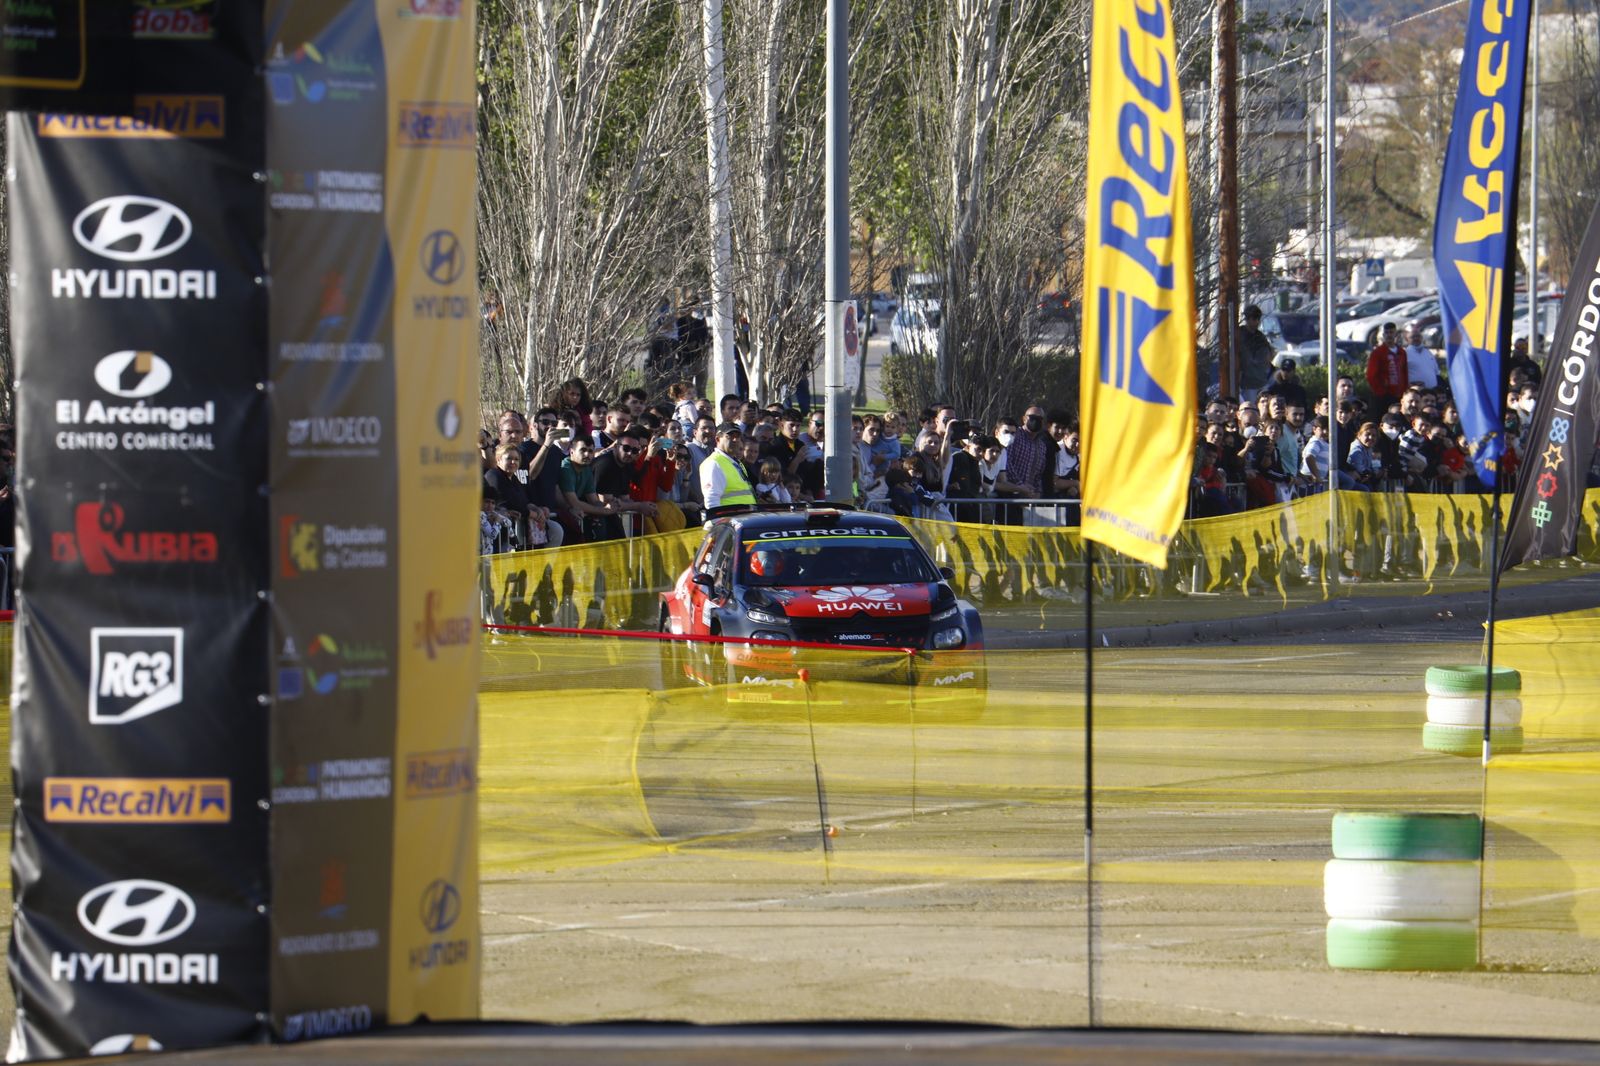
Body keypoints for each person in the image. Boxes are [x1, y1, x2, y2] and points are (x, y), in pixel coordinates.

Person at [558, 436, 616, 541]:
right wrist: (604, 510)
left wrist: (609, 505)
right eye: (583, 450)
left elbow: (593, 500)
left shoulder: (586, 469)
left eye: (590, 451)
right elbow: (574, 503)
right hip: (561, 518)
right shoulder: (565, 468)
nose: (587, 455)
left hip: (574, 517)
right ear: (571, 452)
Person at [699, 421, 757, 510]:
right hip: (731, 521)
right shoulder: (713, 463)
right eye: (729, 436)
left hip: (744, 518)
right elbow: (711, 501)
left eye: (737, 436)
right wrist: (722, 523)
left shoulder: (736, 462)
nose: (735, 440)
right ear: (718, 439)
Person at [1365, 323, 1409, 412]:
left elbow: (1405, 372)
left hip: (1399, 394)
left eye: (1391, 332)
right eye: (1387, 333)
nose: (1389, 335)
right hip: (1383, 395)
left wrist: (1405, 390)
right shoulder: (1377, 353)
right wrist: (1380, 391)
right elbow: (1371, 375)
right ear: (1383, 335)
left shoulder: (1402, 352)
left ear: (1395, 334)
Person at [1237, 304, 1277, 399]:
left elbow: (1271, 353)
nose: (1257, 321)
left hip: (1261, 380)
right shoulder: (1240, 334)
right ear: (1247, 319)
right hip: (1247, 383)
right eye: (1254, 318)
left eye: (1258, 318)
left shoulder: (1260, 336)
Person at [1402, 324, 1439, 388]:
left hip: (1432, 392)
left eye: (1418, 336)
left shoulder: (1428, 353)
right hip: (1416, 394)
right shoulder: (1404, 354)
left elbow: (1436, 372)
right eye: (1413, 337)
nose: (1416, 338)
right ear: (1407, 339)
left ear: (1422, 337)